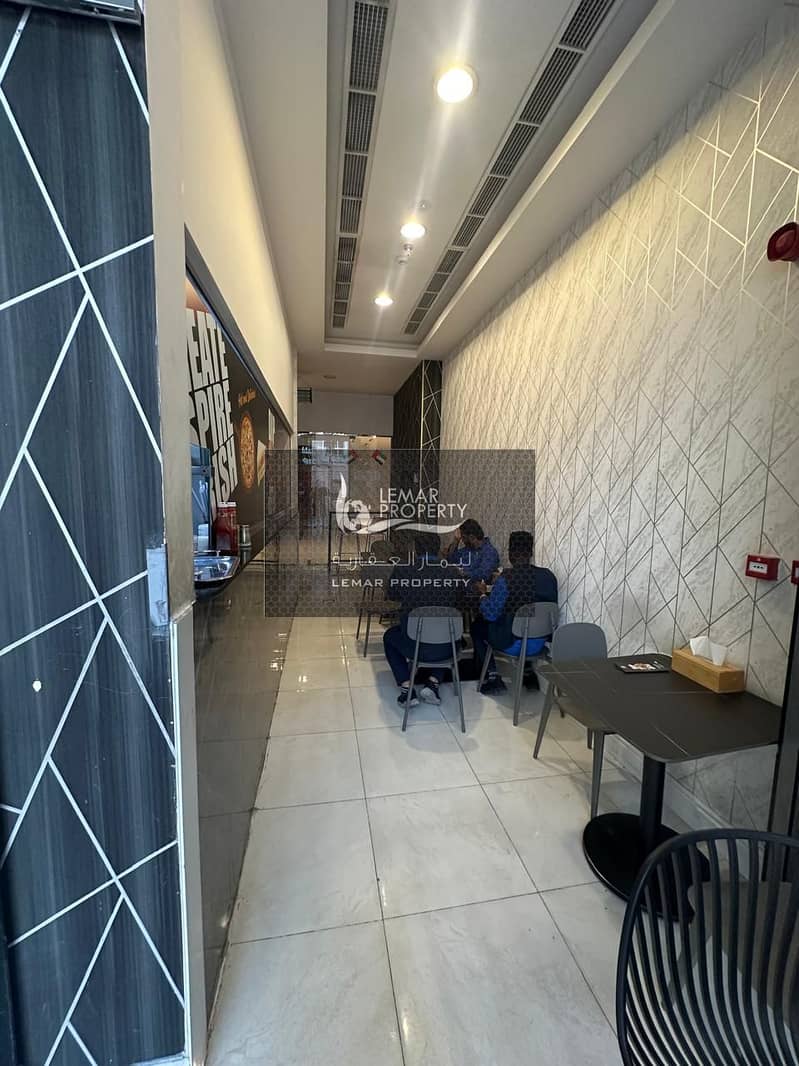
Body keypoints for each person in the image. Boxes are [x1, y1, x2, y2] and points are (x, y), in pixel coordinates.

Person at [383, 531, 465, 708]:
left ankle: (407, 688)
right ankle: (433, 682)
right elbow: (461, 599)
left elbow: (392, 596)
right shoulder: (453, 572)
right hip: (446, 647)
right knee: (457, 638)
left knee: (389, 637)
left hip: (413, 644)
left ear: (416, 550)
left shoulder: (403, 570)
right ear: (437, 549)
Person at [471, 530, 558, 694]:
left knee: (477, 627)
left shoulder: (506, 579)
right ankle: (527, 670)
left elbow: (490, 614)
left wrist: (482, 594)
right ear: (531, 552)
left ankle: (493, 676)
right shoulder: (548, 576)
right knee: (525, 622)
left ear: (511, 553)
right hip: (540, 643)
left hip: (514, 644)